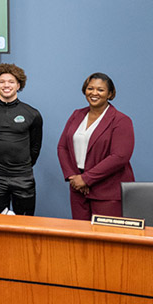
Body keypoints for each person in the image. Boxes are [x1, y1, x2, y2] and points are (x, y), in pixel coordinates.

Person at [57, 73, 134, 220]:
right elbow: (62, 147)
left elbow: (119, 157)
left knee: (107, 239)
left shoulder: (121, 120)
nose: (94, 93)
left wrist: (86, 179)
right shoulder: (77, 115)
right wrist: (74, 177)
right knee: (81, 238)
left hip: (108, 191)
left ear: (110, 94)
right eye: (90, 88)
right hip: (78, 188)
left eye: (100, 90)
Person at [0, 63, 43, 215]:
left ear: (18, 85)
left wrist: (22, 166)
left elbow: (35, 147)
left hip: (23, 178)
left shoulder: (32, 114)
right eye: (2, 81)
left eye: (11, 81)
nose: (6, 85)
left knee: (24, 225)